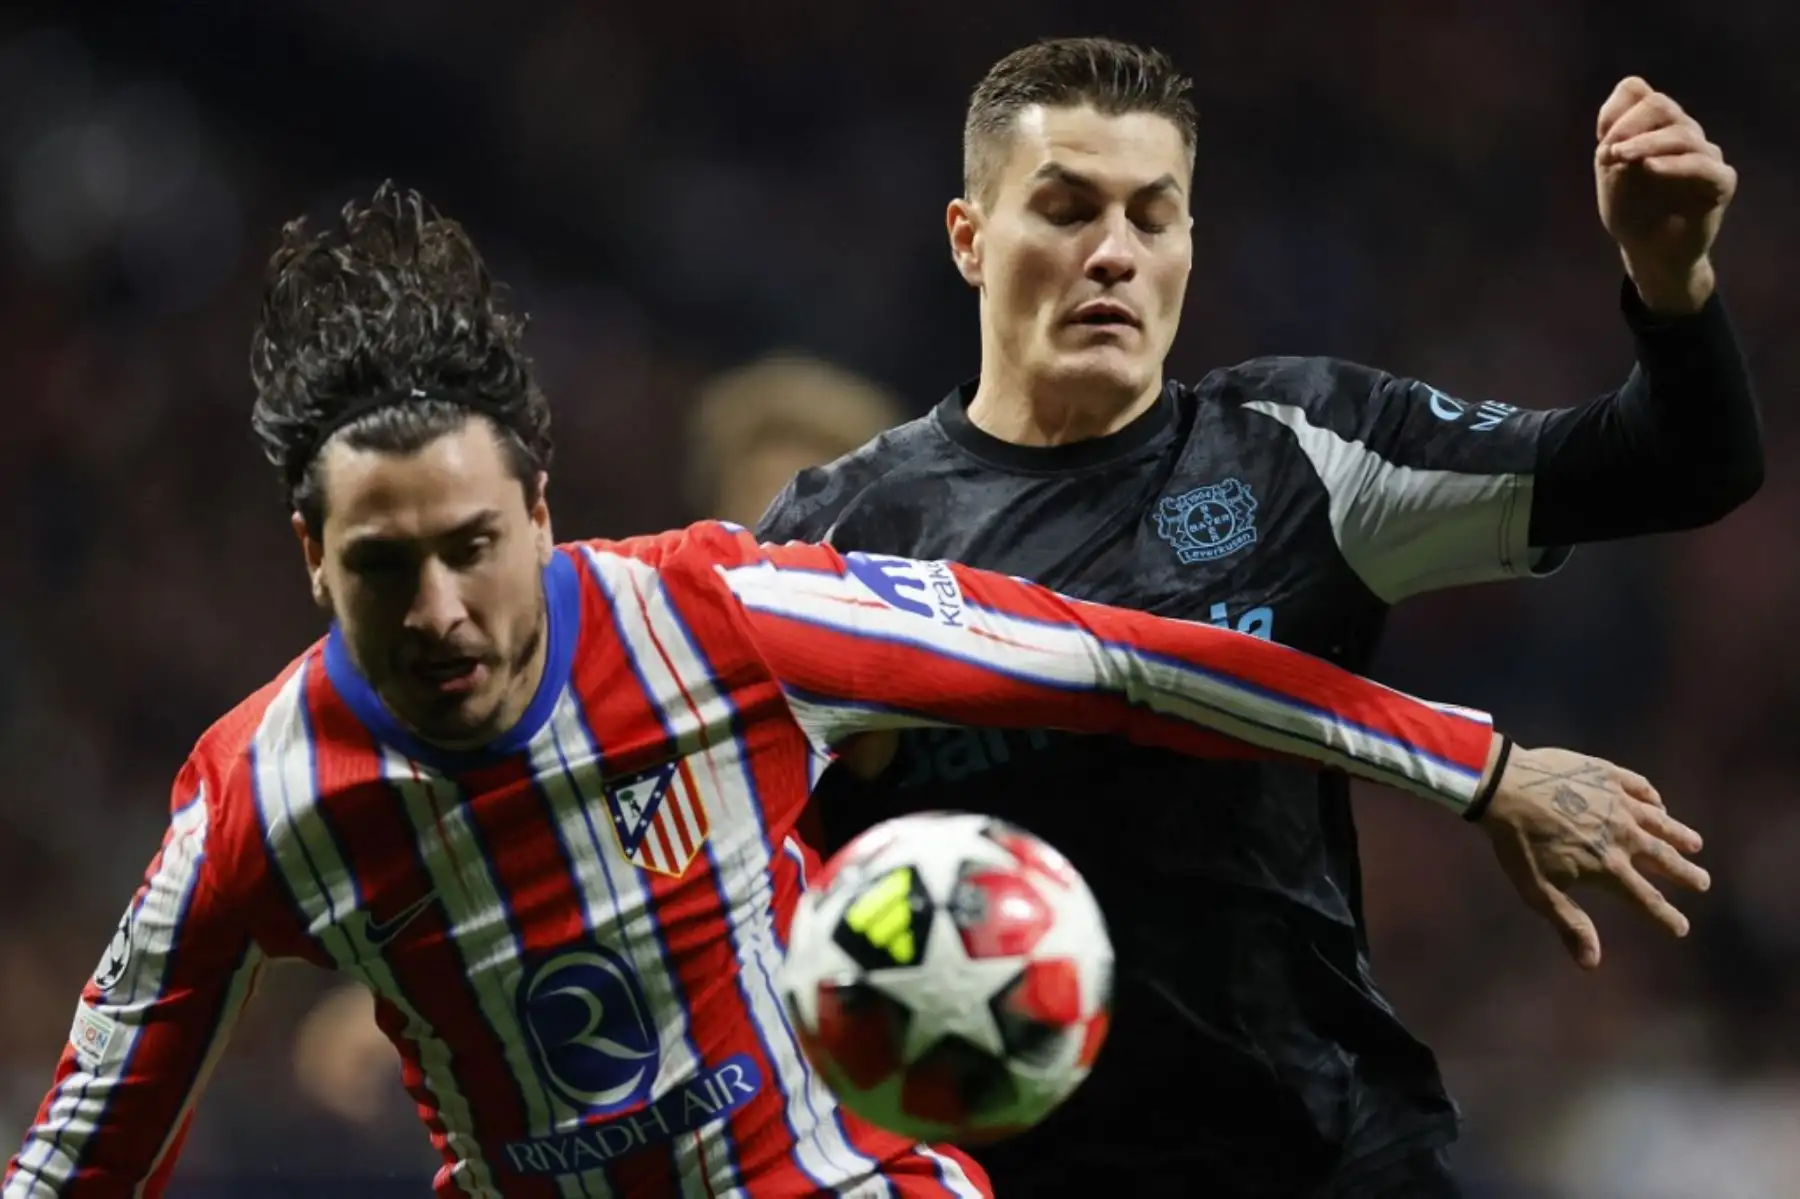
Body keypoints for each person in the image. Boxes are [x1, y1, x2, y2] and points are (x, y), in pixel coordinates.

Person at [2, 184, 1701, 1199]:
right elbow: (89, 1142)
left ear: (542, 510)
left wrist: (1475, 765)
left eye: (473, 546)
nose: (442, 608)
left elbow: (1122, 658)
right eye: (387, 567)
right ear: (314, 557)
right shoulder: (262, 793)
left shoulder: (714, 614)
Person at [756, 37, 1761, 1198]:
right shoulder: (842, 534)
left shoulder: (1303, 449)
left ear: (1188, 244)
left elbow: (1679, 465)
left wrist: (1673, 282)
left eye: (1152, 217)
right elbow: (747, 879)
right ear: (970, 239)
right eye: (1068, 210)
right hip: (1000, 1174)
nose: (1114, 252)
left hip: (1331, 1160)